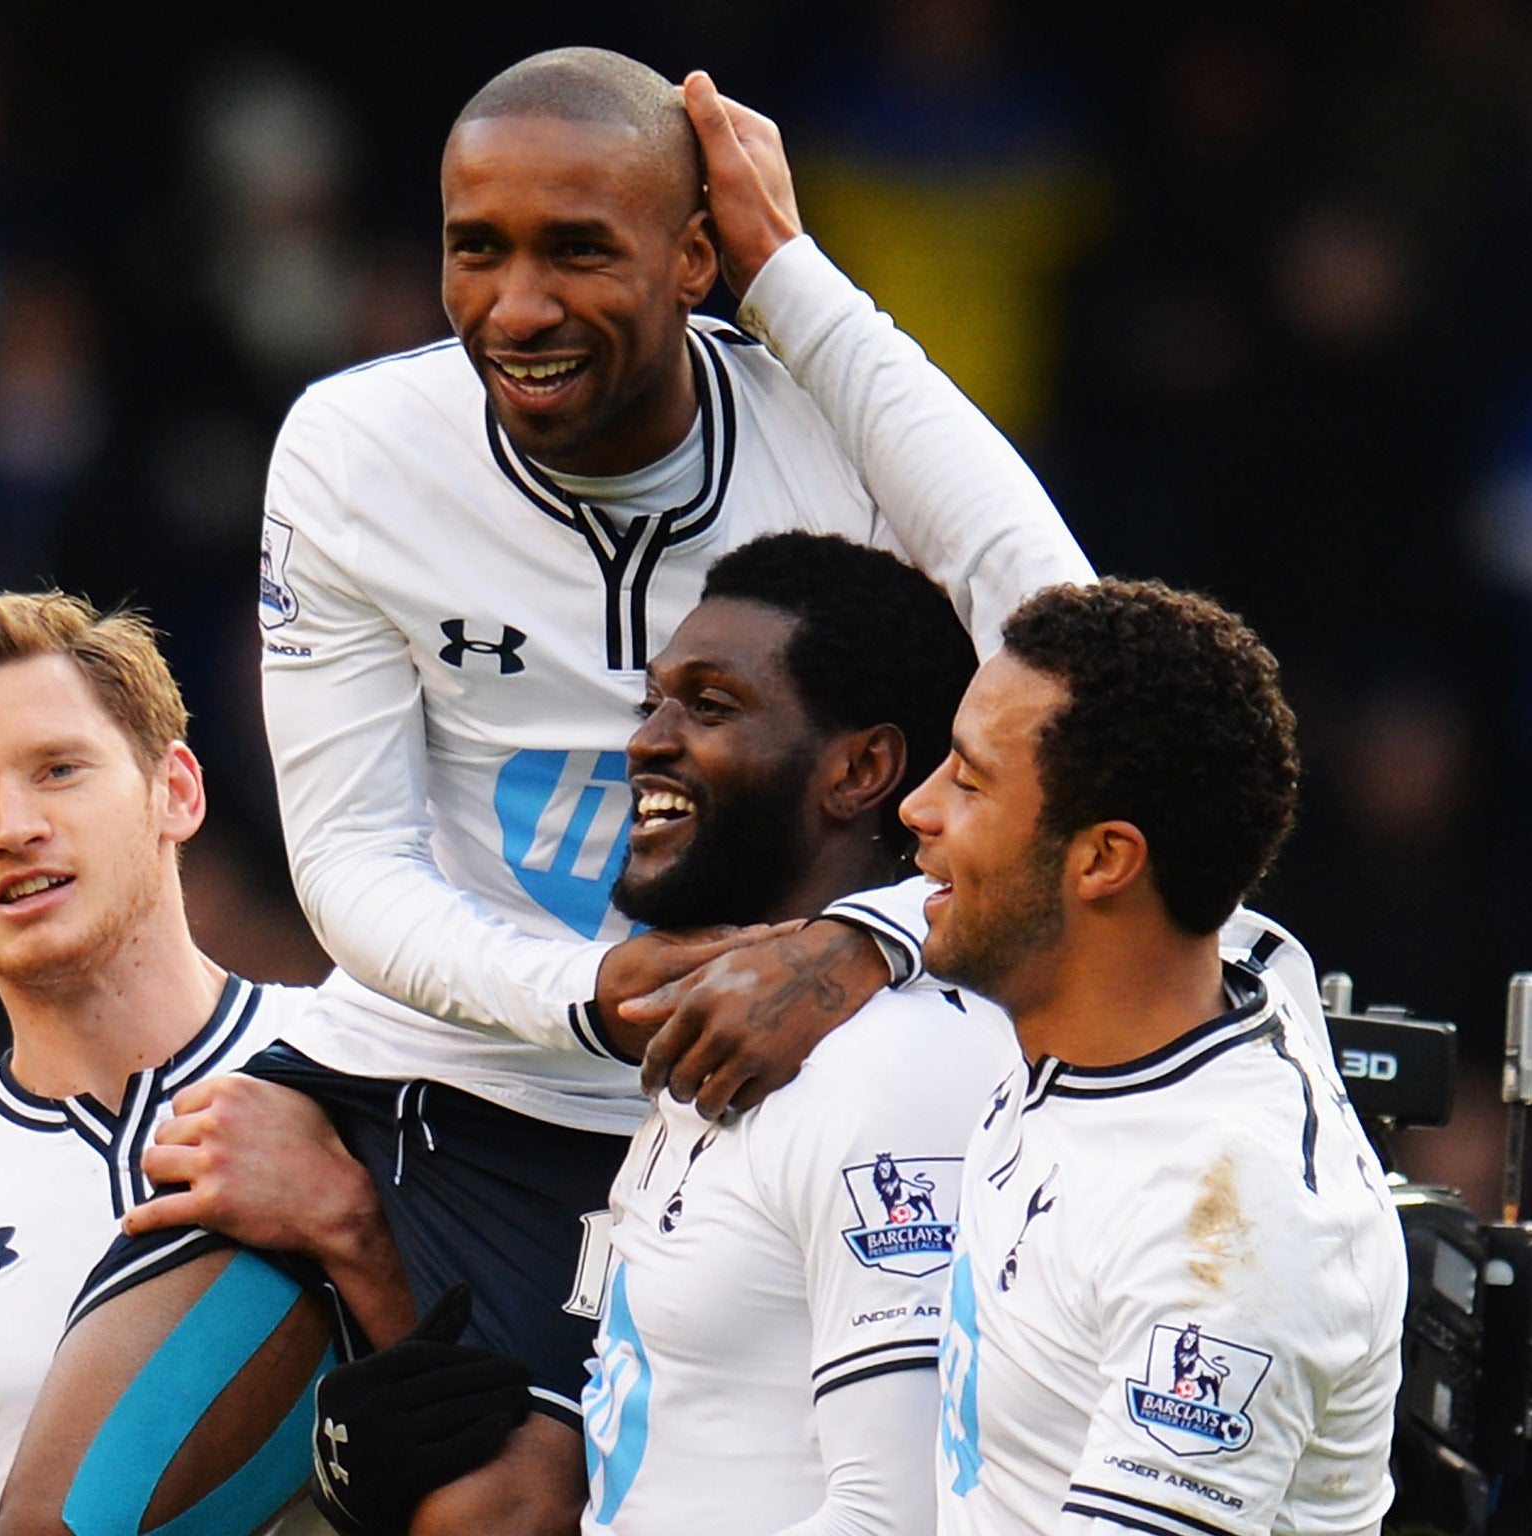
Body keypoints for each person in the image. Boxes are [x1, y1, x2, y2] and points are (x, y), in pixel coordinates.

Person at [133, 45, 1092, 1534]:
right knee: (93, 1506)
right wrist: (585, 993)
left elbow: (1075, 660)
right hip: (439, 1084)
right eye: (477, 249)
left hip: (768, 1094)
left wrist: (865, 944)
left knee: (531, 1507)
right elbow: (352, 864)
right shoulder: (356, 448)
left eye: (579, 249)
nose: (517, 307)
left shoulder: (835, 422)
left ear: (699, 253)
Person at [0, 593, 411, 1536]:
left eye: (58, 770)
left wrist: (354, 1234)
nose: (12, 826)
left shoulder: (389, 1070)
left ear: (176, 791)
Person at [898, 580, 1408, 1535]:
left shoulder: (1226, 1231)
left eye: (968, 782)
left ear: (1102, 861)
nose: (920, 808)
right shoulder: (1107, 1014)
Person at [579, 531, 1012, 1535]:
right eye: (652, 702)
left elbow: (894, 1516)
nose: (647, 738)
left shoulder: (890, 1069)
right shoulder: (731, 1028)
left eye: (709, 705)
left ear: (860, 769)